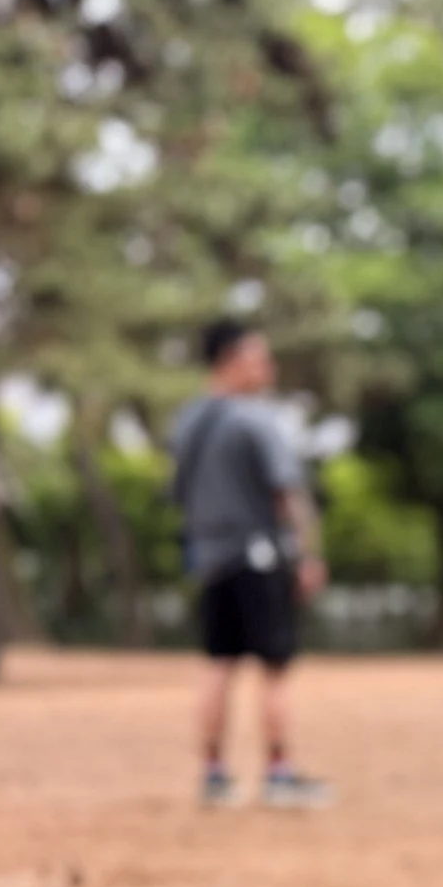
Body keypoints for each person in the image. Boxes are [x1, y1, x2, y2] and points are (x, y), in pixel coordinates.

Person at [171, 319, 330, 809]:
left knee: (218, 664)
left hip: (211, 557)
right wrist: (308, 554)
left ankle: (214, 775)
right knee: (274, 669)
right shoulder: (255, 420)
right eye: (260, 359)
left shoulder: (188, 423)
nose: (268, 368)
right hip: (259, 557)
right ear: (231, 361)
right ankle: (279, 775)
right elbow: (288, 494)